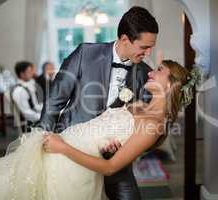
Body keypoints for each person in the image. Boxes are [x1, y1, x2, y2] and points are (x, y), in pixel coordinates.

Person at [0, 60, 200, 200]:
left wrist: (63, 148)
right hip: (62, 147)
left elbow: (111, 168)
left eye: (158, 69)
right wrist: (110, 146)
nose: (150, 72)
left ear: (170, 84)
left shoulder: (155, 124)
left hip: (72, 165)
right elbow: (111, 134)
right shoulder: (140, 104)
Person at [36, 6, 157, 200]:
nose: (149, 52)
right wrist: (41, 141)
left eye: (151, 46)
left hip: (115, 160)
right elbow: (54, 100)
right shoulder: (85, 53)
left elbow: (143, 127)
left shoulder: (145, 73)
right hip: (72, 149)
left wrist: (123, 146)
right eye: (144, 47)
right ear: (125, 39)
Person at [11, 61, 43, 127]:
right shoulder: (20, 91)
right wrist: (43, 116)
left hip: (35, 118)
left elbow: (35, 106)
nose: (33, 73)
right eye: (30, 71)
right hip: (30, 125)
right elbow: (26, 113)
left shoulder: (28, 85)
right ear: (22, 74)